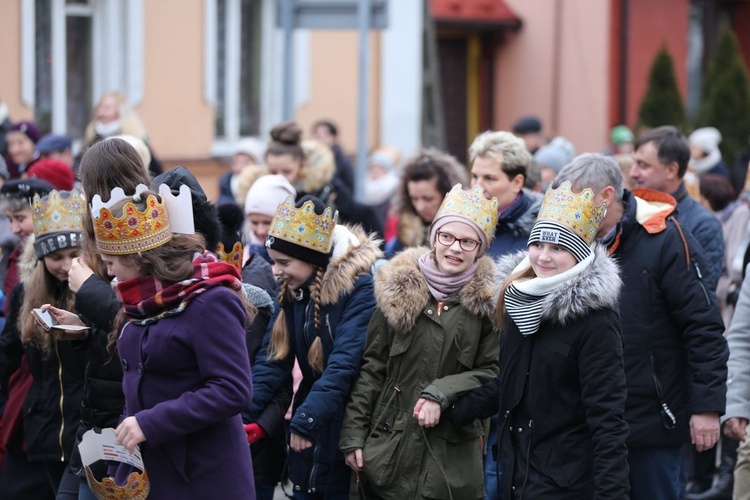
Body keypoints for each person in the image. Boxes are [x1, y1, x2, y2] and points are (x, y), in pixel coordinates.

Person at [555, 153, 728, 500]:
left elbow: (703, 326)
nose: (569, 210)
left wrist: (706, 407)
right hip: (585, 419)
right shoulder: (569, 243)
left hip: (651, 419)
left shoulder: (665, 238)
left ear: (606, 196)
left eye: (578, 199)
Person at [448, 179, 630, 498]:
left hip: (566, 481)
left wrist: (612, 494)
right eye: (538, 245)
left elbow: (607, 417)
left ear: (578, 254)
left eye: (558, 248)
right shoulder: (519, 300)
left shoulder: (594, 320)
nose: (543, 257)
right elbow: (510, 383)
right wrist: (449, 410)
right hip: (518, 471)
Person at [80, 188, 255, 498]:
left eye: (111, 263)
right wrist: (121, 460)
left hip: (205, 474)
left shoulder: (211, 301)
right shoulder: (139, 302)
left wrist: (150, 423)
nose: (108, 273)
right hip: (153, 467)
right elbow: (138, 385)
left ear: (138, 258)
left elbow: (233, 389)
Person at [340, 184, 500, 499]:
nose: (455, 248)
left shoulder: (489, 303)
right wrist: (353, 436)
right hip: (390, 446)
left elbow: (493, 371)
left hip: (451, 456)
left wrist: (442, 392)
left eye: (468, 241)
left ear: (480, 249)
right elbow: (373, 368)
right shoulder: (398, 290)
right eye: (447, 237)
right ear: (434, 237)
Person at [247, 195, 381, 498]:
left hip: (349, 422)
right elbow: (271, 362)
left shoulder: (359, 291)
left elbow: (344, 366)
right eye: (273, 262)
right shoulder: (293, 292)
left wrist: (306, 420)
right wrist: (241, 415)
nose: (276, 271)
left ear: (313, 260)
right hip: (313, 415)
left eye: (284, 263)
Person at [0, 188, 87, 498]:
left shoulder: (96, 292)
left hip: (85, 428)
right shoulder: (25, 294)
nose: (66, 265)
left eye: (75, 255)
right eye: (56, 257)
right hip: (45, 427)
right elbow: (7, 351)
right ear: (41, 257)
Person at [630, 126, 725, 290]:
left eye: (643, 165)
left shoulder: (704, 225)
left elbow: (699, 293)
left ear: (671, 170)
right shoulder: (629, 213)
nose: (632, 173)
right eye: (634, 163)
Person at [265, 121, 383, 239]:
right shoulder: (259, 196)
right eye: (273, 172)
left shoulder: (330, 195)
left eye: (287, 171)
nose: (279, 177)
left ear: (302, 164)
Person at [385, 150, 467, 258]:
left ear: (448, 195)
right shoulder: (405, 233)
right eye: (414, 199)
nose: (420, 207)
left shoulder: (465, 233)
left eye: (428, 199)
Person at [79, 92, 162, 176]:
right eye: (99, 108)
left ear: (121, 112)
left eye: (107, 108)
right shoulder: (93, 139)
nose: (100, 113)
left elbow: (154, 172)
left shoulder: (135, 142)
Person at [244, 174, 297, 265]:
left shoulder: (298, 259)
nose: (260, 231)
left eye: (267, 222)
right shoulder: (244, 254)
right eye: (254, 223)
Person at [312, 119, 355, 193]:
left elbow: (349, 189)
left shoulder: (342, 160)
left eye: (321, 136)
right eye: (316, 136)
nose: (317, 140)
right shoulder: (311, 158)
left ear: (333, 137)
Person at [219, 138, 266, 206]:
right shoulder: (226, 182)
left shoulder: (261, 183)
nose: (240, 166)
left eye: (245, 162)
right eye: (236, 162)